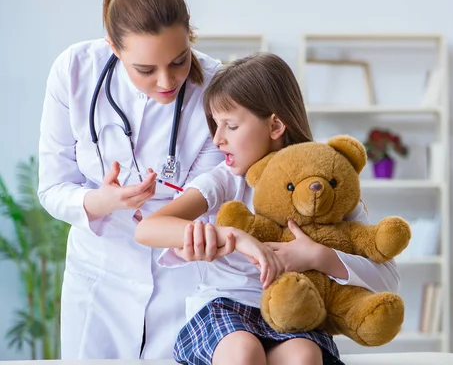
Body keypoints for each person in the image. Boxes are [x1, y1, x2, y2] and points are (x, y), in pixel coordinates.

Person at [135, 52, 402, 365]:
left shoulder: (328, 187)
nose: (217, 139)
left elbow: (389, 281)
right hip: (225, 306)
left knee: (304, 355)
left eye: (230, 126)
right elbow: (148, 228)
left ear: (275, 124)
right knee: (243, 353)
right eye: (215, 125)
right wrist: (232, 235)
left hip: (294, 314)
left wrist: (317, 256)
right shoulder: (224, 181)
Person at [36, 0, 245, 359]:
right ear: (113, 46)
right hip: (100, 273)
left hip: (182, 272)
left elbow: (221, 188)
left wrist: (196, 232)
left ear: (190, 35)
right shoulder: (75, 71)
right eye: (145, 70)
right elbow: (52, 188)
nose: (167, 81)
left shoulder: (217, 84)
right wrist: (103, 201)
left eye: (179, 61)